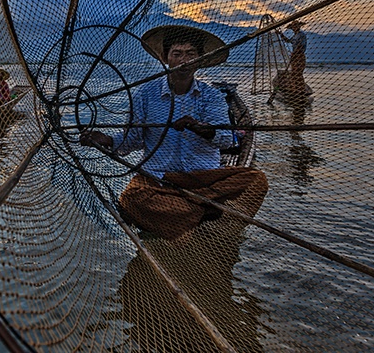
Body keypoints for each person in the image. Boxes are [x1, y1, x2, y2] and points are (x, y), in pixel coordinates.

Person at [80, 24, 268, 241]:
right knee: (131, 198)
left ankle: (183, 213)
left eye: (191, 54)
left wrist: (199, 127)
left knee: (256, 181)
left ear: (200, 58)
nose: (184, 60)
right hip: (158, 177)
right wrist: (105, 139)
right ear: (165, 57)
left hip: (201, 177)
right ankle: (201, 210)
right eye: (177, 54)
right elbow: (132, 140)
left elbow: (226, 140)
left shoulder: (212, 97)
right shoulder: (145, 94)